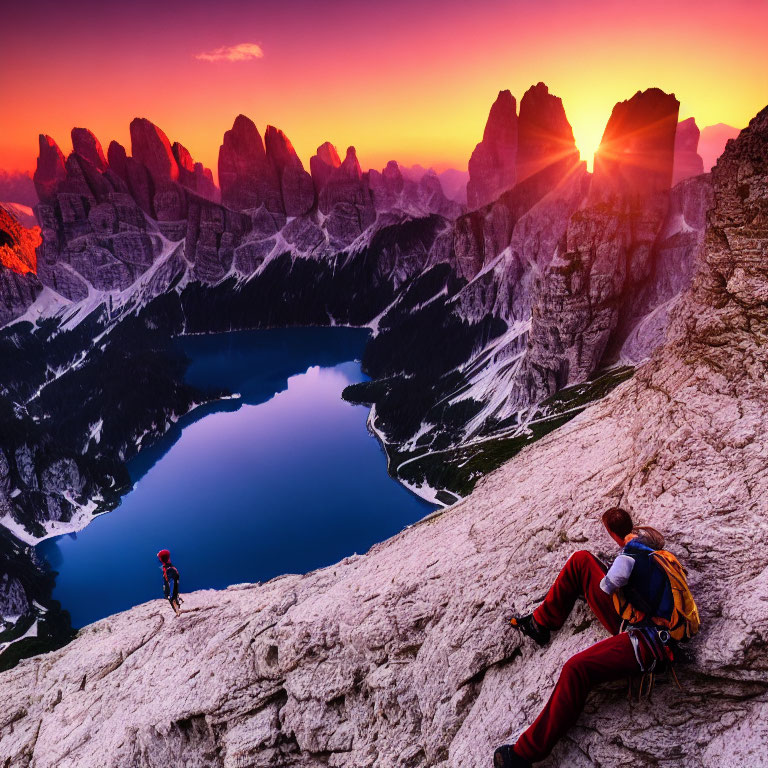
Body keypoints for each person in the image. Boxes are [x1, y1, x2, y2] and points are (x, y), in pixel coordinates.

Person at [493, 507, 688, 768]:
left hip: (650, 642)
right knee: (582, 560)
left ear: (612, 531)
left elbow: (608, 585)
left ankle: (523, 755)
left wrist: (605, 585)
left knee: (577, 668)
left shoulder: (630, 555)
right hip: (638, 620)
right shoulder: (647, 546)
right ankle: (540, 622)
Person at [157, 549, 182, 617]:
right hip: (170, 595)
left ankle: (176, 608)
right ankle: (175, 603)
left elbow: (171, 582)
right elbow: (171, 582)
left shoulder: (168, 569)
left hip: (170, 595)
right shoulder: (169, 569)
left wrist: (171, 595)